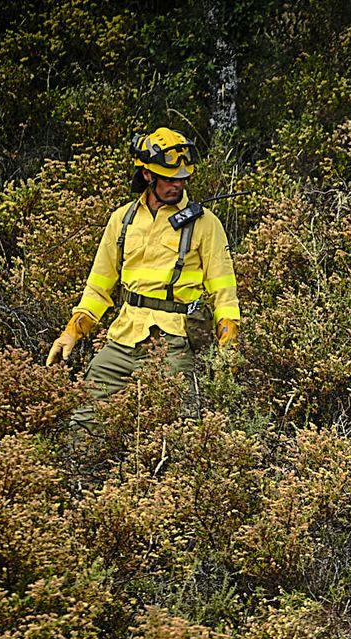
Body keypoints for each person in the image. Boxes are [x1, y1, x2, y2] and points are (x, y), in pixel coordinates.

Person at [47, 127, 240, 425]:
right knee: (85, 418)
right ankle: (82, 469)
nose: (177, 184)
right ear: (148, 175)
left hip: (174, 341)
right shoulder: (122, 220)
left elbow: (224, 293)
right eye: (169, 178)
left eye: (182, 178)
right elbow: (98, 287)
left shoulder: (206, 224)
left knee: (182, 425)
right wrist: (72, 331)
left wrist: (228, 346)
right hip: (124, 337)